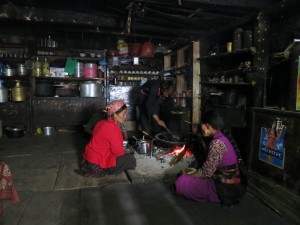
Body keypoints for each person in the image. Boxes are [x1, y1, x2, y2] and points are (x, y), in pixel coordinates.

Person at [173, 110, 245, 207]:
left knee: (181, 182)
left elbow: (206, 173)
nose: (200, 128)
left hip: (223, 188)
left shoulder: (216, 144)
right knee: (194, 165)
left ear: (207, 125)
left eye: (201, 124)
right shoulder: (221, 135)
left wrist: (189, 175)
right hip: (229, 183)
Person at [78, 99, 136, 177]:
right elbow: (117, 152)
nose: (125, 116)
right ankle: (101, 171)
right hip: (96, 161)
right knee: (130, 159)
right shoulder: (113, 128)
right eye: (124, 113)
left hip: (88, 157)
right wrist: (125, 151)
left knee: (122, 154)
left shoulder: (101, 122)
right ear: (115, 115)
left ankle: (90, 167)